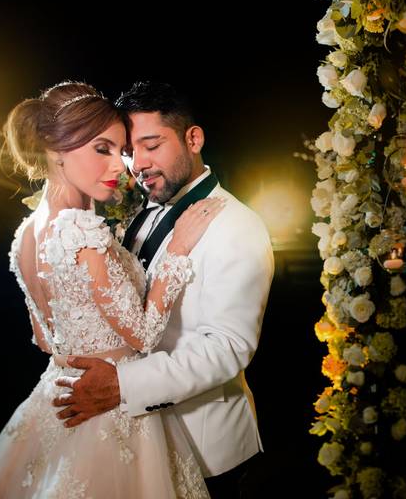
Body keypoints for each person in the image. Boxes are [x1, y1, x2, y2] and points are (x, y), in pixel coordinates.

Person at [0, 81, 218, 497]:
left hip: (56, 398)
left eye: (121, 151)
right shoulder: (82, 231)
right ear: (55, 150)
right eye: (103, 149)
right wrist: (176, 250)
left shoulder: (26, 233)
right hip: (109, 411)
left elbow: (45, 340)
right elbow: (142, 335)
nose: (121, 165)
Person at [51, 81, 274, 498]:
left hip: (206, 450)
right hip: (139, 443)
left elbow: (226, 347)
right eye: (131, 151)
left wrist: (122, 385)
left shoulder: (238, 226)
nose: (138, 164)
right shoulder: (138, 215)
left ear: (193, 138)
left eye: (152, 145)